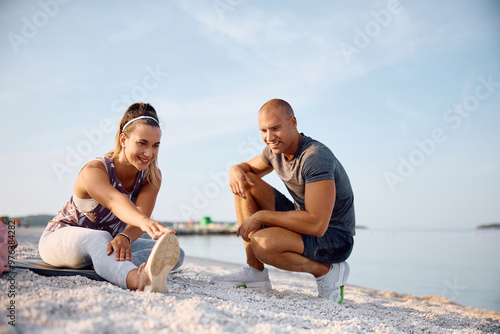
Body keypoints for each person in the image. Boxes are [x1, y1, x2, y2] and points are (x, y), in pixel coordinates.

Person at [211, 99, 355, 304]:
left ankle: (327, 271)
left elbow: (317, 224)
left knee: (262, 243)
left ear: (293, 122)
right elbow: (246, 169)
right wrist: (235, 169)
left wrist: (261, 216)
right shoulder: (274, 151)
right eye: (263, 130)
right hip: (304, 223)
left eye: (275, 128)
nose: (269, 137)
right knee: (244, 182)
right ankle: (255, 273)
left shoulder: (315, 156)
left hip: (335, 237)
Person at [39, 102, 183, 292]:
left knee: (175, 253)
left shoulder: (152, 175)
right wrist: (143, 221)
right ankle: (138, 280)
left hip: (108, 243)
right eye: (142, 143)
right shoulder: (94, 170)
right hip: (60, 239)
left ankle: (108, 263)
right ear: (123, 140)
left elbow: (140, 213)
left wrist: (124, 236)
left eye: (155, 145)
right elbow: (115, 201)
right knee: (100, 238)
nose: (149, 153)